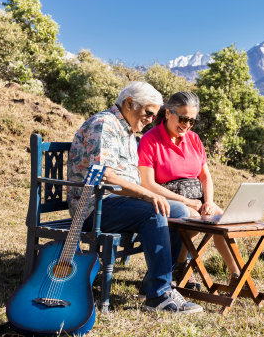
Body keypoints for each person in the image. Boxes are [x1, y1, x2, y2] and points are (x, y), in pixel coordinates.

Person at [67, 81, 202, 314]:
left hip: (117, 203)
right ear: (129, 103)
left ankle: (160, 282)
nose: (152, 119)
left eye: (155, 114)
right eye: (149, 113)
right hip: (94, 206)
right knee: (155, 211)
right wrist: (148, 195)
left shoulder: (127, 130)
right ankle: (158, 296)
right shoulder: (104, 125)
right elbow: (105, 174)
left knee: (179, 211)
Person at [137, 91, 241, 280]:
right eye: (183, 119)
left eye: (192, 121)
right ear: (168, 113)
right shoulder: (150, 140)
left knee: (224, 220)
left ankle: (237, 276)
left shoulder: (194, 139)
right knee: (193, 218)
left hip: (197, 200)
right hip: (167, 201)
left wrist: (208, 202)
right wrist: (187, 202)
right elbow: (147, 184)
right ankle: (180, 266)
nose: (187, 125)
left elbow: (205, 176)